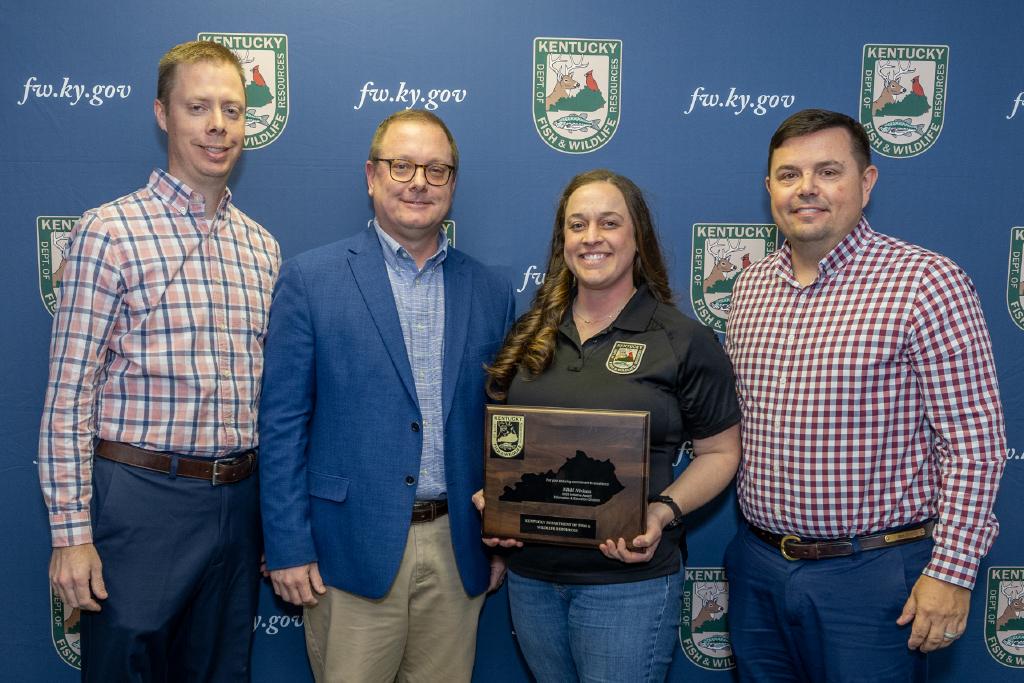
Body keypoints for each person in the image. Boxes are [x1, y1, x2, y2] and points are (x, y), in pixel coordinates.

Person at [724, 108, 1007, 681]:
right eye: (788, 175)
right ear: (769, 189)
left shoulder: (926, 281)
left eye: (828, 171)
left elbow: (975, 444)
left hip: (873, 576)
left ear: (867, 182)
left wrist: (951, 572)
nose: (806, 189)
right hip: (758, 567)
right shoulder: (750, 287)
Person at [39, 40, 280, 681]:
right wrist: (71, 534)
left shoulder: (262, 248)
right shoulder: (107, 232)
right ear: (162, 113)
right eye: (197, 107)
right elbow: (69, 394)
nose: (217, 126)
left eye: (232, 109)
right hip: (140, 502)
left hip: (237, 504)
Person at [258, 109, 515, 682]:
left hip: (458, 550)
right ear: (371, 176)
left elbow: (501, 425)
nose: (418, 182)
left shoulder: (492, 289)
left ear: (453, 184)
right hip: (345, 552)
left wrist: (504, 532)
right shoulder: (311, 279)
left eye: (436, 170)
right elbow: (281, 426)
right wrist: (287, 545)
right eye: (402, 166)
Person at [479, 169, 742, 682]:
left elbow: (721, 452)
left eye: (609, 222)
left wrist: (661, 513)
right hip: (532, 580)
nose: (592, 236)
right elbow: (509, 445)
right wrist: (496, 503)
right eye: (577, 225)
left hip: (629, 584)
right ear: (563, 242)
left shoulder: (682, 339)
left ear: (637, 236)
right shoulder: (529, 332)